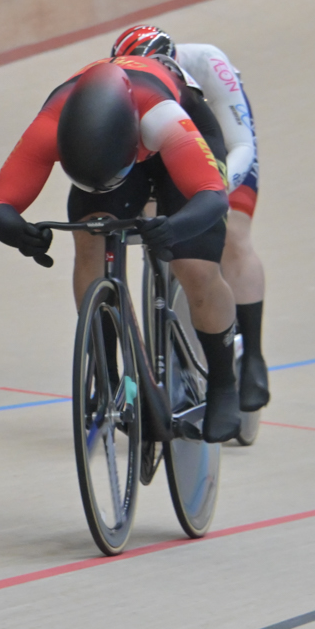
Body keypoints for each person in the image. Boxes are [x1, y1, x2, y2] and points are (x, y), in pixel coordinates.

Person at [0, 54, 241, 442]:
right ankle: (105, 370)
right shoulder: (50, 123)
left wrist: (173, 227)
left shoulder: (164, 116)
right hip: (110, 154)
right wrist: (18, 232)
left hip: (175, 142)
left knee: (194, 266)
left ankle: (223, 382)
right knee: (90, 239)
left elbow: (212, 198)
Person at [116, 26, 271, 416]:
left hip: (221, 138)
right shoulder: (124, 84)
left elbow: (241, 147)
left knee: (232, 232)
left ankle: (252, 356)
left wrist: (211, 190)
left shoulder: (207, 62)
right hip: (165, 139)